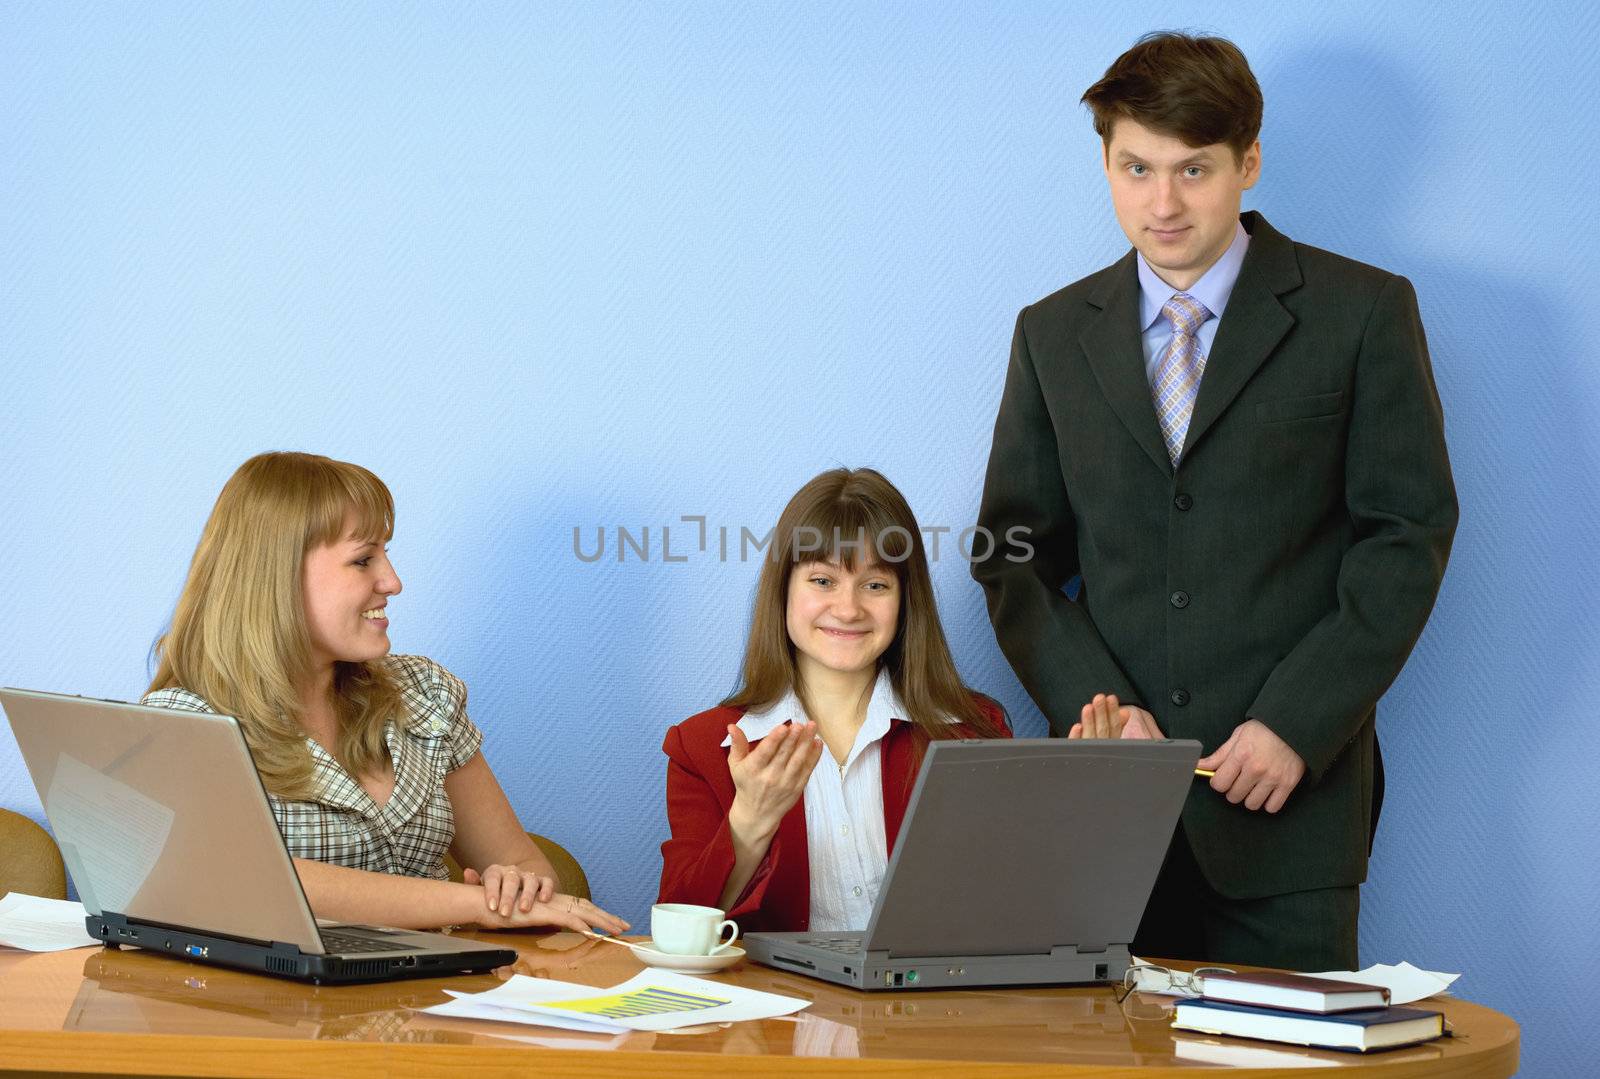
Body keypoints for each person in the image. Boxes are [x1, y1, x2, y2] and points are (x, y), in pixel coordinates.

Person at [971, 32, 1457, 970]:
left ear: (1249, 162)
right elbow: (1013, 552)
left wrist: (1296, 723)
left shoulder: (1362, 311)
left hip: (1289, 815)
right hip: (1110, 817)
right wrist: (1097, 709)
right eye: (1136, 167)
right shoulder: (1052, 333)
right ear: (1106, 164)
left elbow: (1407, 534)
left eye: (1194, 169)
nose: (1163, 202)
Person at [144, 451, 629, 936]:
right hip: (274, 1008)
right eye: (363, 560)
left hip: (438, 998)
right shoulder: (185, 722)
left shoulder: (426, 693)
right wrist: (470, 903)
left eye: (386, 553)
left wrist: (514, 888)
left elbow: (526, 865)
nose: (392, 582)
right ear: (276, 576)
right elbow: (253, 878)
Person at [659, 468, 1010, 932]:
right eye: (823, 581)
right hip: (776, 1004)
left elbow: (1006, 906)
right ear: (783, 588)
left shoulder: (974, 731)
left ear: (906, 599)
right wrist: (749, 821)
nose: (848, 609)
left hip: (933, 1004)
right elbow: (678, 934)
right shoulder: (701, 748)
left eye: (876, 585)